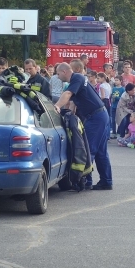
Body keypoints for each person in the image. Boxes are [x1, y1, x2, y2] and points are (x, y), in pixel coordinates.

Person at [54, 62, 112, 190]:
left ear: (64, 72)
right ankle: (106, 181)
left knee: (88, 150)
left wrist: (57, 106)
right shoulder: (78, 80)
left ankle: (85, 181)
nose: (57, 77)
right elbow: (73, 102)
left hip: (96, 117)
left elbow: (68, 95)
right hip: (100, 115)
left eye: (58, 74)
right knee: (101, 152)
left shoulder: (77, 78)